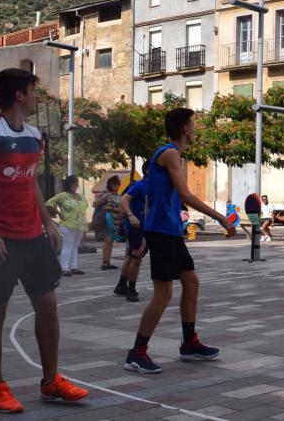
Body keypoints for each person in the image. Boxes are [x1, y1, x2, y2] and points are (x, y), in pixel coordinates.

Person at [0, 68, 88, 413]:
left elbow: (31, 181)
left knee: (47, 305)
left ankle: (50, 381)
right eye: (35, 91)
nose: (38, 97)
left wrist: (47, 222)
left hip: (32, 236)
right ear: (20, 94)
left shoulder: (34, 136)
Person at [124, 108, 236, 374]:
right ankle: (136, 353)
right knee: (164, 293)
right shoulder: (171, 154)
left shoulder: (167, 154)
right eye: (193, 125)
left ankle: (189, 343)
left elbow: (153, 194)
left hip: (168, 230)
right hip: (163, 231)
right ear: (185, 129)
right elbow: (185, 194)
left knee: (191, 282)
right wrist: (221, 217)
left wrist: (152, 219)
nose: (195, 130)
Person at [115, 162, 150, 303]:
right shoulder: (139, 185)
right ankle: (131, 289)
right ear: (148, 170)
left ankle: (121, 285)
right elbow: (123, 199)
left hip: (149, 226)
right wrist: (130, 215)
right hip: (136, 226)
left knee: (131, 256)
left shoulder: (158, 186)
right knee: (137, 257)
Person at [46, 175, 89, 277]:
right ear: (68, 184)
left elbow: (84, 208)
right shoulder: (63, 195)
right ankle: (64, 268)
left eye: (76, 183)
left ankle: (73, 267)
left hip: (80, 225)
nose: (75, 185)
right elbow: (48, 203)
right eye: (73, 183)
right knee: (68, 245)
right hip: (67, 224)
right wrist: (58, 213)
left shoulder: (80, 196)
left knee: (75, 245)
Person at [93, 176, 122, 270]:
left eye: (118, 184)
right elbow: (95, 204)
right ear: (110, 184)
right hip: (106, 220)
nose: (116, 186)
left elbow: (121, 208)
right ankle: (105, 262)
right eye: (114, 184)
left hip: (116, 221)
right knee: (108, 240)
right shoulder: (104, 194)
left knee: (111, 241)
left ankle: (108, 261)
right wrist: (105, 197)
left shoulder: (119, 196)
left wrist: (113, 208)